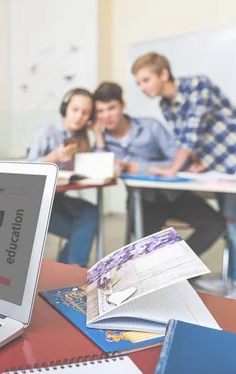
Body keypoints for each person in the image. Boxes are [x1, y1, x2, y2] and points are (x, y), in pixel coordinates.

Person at [131, 52, 236, 300]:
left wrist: (172, 169)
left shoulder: (197, 85)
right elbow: (189, 140)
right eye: (139, 83)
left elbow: (191, 133)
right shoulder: (165, 105)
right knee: (226, 219)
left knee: (233, 220)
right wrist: (197, 162)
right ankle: (230, 279)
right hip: (218, 165)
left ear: (164, 74)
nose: (142, 87)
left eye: (145, 80)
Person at [91, 81, 225, 257]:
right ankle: (170, 270)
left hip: (174, 195)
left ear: (123, 106)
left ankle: (177, 267)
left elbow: (179, 161)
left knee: (214, 224)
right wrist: (98, 136)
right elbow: (100, 170)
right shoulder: (103, 142)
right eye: (100, 111)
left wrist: (141, 167)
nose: (107, 115)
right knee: (145, 244)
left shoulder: (151, 126)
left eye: (111, 108)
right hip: (143, 201)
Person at [27, 88, 99, 267]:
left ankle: (70, 271)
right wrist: (55, 157)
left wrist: (97, 133)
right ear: (65, 109)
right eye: (75, 110)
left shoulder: (81, 138)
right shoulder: (46, 132)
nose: (79, 116)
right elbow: (28, 170)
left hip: (58, 199)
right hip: (36, 203)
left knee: (90, 214)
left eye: (85, 113)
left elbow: (98, 165)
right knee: (82, 231)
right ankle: (74, 271)